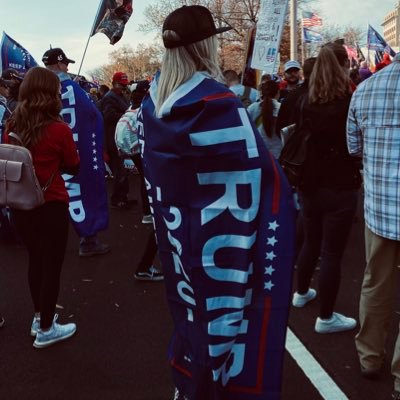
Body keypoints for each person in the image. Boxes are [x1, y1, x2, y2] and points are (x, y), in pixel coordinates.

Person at [138, 5, 296, 399]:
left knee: (190, 310)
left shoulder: (153, 103)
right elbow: (264, 179)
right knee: (225, 317)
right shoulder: (219, 106)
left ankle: (192, 380)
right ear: (205, 46)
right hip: (221, 240)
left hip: (179, 239)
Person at [4, 66, 79, 348]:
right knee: (52, 266)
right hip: (51, 205)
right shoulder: (59, 129)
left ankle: (39, 317)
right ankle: (47, 328)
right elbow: (74, 167)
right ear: (51, 93)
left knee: (35, 261)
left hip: (21, 205)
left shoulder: (12, 125)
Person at [291, 43, 362, 334]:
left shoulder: (305, 101)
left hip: (309, 183)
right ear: (342, 67)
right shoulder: (348, 103)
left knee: (311, 241)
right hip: (340, 185)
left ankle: (301, 292)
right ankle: (326, 316)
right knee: (331, 252)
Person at [347, 52, 400, 399]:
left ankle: (369, 356)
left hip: (381, 208)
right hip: (382, 209)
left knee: (375, 283)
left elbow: (354, 147)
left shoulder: (365, 89)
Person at [42, 47, 110, 257]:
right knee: (84, 187)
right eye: (66, 63)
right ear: (59, 64)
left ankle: (60, 242)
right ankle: (88, 239)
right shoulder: (69, 88)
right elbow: (92, 115)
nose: (68, 67)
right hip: (76, 153)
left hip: (50, 157)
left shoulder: (40, 90)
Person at [102, 71, 135, 209]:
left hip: (121, 138)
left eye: (125, 85)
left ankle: (124, 197)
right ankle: (117, 199)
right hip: (113, 139)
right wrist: (128, 115)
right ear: (115, 84)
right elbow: (108, 116)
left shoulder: (121, 96)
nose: (124, 87)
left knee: (124, 170)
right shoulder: (109, 97)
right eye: (122, 85)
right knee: (119, 171)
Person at [276, 57, 316, 144]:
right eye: (289, 72)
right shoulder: (281, 93)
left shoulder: (318, 93)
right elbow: (280, 126)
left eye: (295, 71)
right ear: (284, 74)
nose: (292, 74)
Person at [247, 80, 282, 158]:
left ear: (262, 93)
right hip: (276, 154)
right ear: (278, 93)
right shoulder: (282, 108)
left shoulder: (253, 107)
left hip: (257, 151)